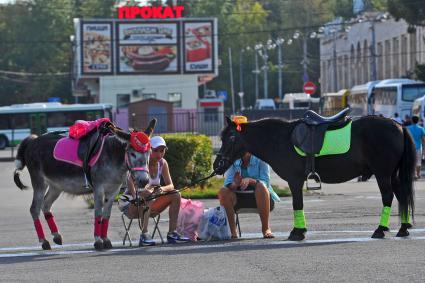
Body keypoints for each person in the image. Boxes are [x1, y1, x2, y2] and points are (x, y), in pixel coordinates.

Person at [120, 136, 190, 246]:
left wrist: (161, 189)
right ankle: (144, 235)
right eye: (155, 150)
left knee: (176, 194)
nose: (159, 154)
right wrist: (137, 195)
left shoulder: (163, 163)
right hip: (130, 205)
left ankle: (172, 233)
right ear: (149, 150)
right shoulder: (142, 163)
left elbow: (170, 185)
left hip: (151, 203)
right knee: (148, 195)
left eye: (162, 151)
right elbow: (129, 180)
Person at [218, 152, 280, 239]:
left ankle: (266, 229)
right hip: (238, 201)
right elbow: (228, 184)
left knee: (261, 186)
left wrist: (251, 180)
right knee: (223, 191)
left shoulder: (262, 157)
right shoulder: (231, 159)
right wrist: (235, 183)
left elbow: (266, 182)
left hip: (263, 199)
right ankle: (232, 231)